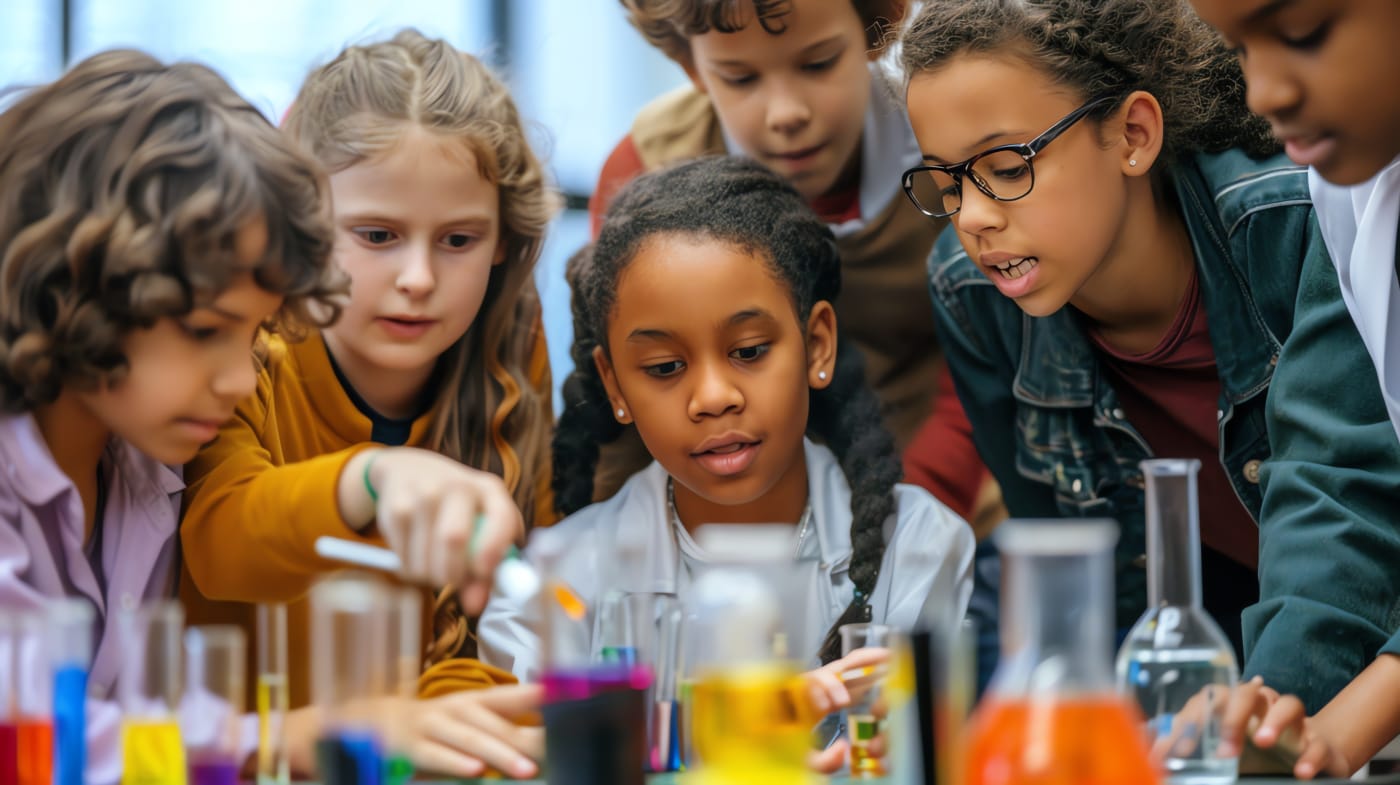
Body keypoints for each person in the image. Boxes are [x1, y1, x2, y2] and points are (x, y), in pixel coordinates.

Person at [900, 0, 1400, 714]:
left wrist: (1263, 719)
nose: (972, 218)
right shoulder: (970, 296)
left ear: (1133, 134)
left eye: (1007, 168)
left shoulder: (1294, 217)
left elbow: (1340, 493)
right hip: (1217, 658)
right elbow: (1065, 572)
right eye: (947, 185)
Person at [479, 155, 974, 768]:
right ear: (614, 385)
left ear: (817, 344)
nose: (714, 397)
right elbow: (528, 762)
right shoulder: (557, 588)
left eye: (749, 350)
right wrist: (742, 730)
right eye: (665, 367)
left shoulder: (919, 548)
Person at [178, 30, 555, 778]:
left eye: (458, 239)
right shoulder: (248, 344)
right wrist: (373, 476)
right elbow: (219, 544)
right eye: (377, 235)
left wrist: (438, 726)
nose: (418, 277)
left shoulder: (510, 352)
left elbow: (502, 626)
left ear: (503, 241)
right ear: (305, 226)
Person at [0, 50, 341, 784]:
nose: (240, 381)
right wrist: (277, 738)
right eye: (203, 329)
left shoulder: (149, 462)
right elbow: (24, 734)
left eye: (253, 333)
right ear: (70, 285)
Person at [588, 0, 995, 529]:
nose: (786, 113)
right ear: (691, 66)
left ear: (880, 28)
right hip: (724, 536)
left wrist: (899, 531)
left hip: (938, 516)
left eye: (818, 63)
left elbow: (981, 377)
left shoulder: (947, 151)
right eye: (740, 78)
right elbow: (625, 407)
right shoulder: (644, 170)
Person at [1172, 1, 1400, 777]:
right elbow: (1341, 472)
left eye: (1302, 32)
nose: (1263, 92)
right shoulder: (1350, 193)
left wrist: (1349, 723)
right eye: (1239, 48)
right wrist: (1285, 708)